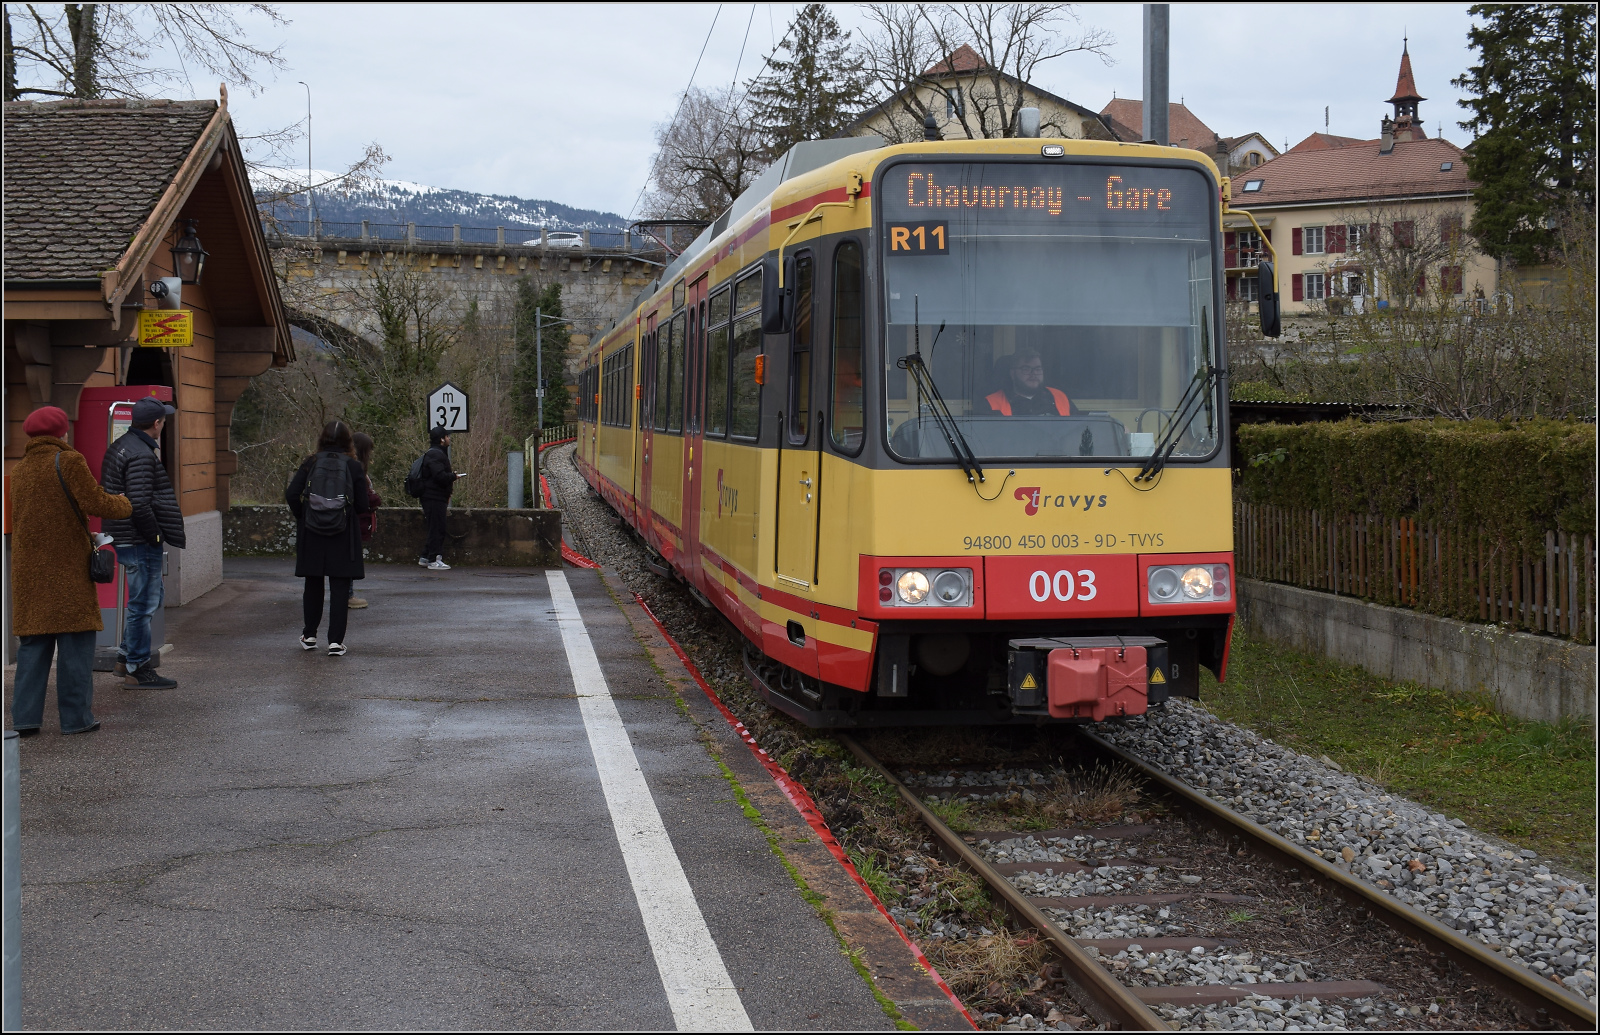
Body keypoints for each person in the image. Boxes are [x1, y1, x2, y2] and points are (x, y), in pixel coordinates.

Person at [9, 406, 132, 735]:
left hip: (29, 575)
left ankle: (25, 721)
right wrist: (125, 502)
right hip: (67, 574)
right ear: (62, 432)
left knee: (33, 649)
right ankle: (76, 719)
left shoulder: (20, 470)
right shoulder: (69, 461)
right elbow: (96, 502)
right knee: (76, 646)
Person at [101, 395, 185, 690]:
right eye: (163, 420)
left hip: (125, 536)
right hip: (138, 539)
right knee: (144, 604)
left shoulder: (121, 446)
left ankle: (126, 657)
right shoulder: (142, 454)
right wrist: (156, 536)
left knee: (147, 600)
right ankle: (138, 667)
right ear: (156, 423)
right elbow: (139, 503)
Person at [286, 420, 371, 655]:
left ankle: (309, 635)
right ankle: (335, 641)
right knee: (340, 586)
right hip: (342, 533)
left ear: (322, 439)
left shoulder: (311, 462)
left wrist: (304, 515)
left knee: (313, 582)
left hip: (312, 531)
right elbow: (362, 505)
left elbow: (292, 494)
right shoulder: (353, 466)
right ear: (348, 441)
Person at [417, 425, 461, 571]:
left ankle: (425, 556)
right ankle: (434, 559)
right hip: (434, 497)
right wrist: (453, 476)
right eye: (447, 436)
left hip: (434, 496)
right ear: (442, 439)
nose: (449, 438)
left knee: (434, 527)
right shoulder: (436, 455)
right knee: (438, 528)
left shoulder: (434, 453)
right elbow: (439, 476)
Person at [985, 347, 1072, 416]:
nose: (1033, 373)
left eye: (1038, 369)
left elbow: (1076, 429)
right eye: (1026, 369)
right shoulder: (992, 403)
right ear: (1013, 373)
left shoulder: (1059, 396)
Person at [348, 432, 381, 609]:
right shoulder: (357, 469)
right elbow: (364, 498)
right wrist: (375, 499)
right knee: (349, 558)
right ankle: (348, 595)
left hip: (353, 519)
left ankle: (347, 593)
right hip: (355, 521)